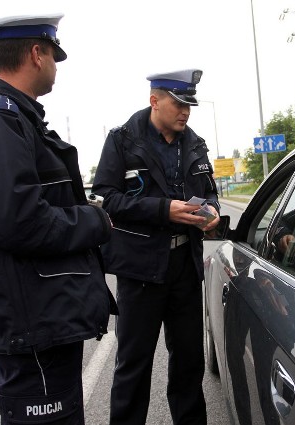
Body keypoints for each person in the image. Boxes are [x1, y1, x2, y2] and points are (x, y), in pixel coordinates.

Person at [0, 14, 116, 424]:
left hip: (42, 317)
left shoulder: (15, 119)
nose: (56, 65)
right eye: (53, 55)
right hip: (30, 323)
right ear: (36, 54)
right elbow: (21, 222)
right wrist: (95, 221)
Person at [92, 69, 220, 425]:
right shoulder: (122, 141)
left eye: (189, 105)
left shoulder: (194, 143)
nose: (185, 112)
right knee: (134, 365)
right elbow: (104, 198)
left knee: (189, 363)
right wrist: (163, 210)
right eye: (179, 104)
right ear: (155, 101)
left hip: (184, 267)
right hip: (141, 270)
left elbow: (210, 190)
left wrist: (212, 211)